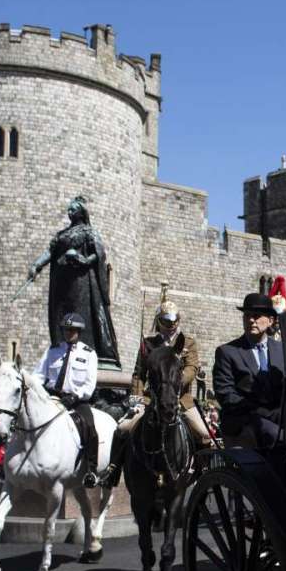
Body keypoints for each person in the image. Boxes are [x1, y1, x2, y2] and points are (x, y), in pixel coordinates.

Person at [102, 300, 211, 485]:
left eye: (174, 321)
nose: (171, 326)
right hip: (150, 398)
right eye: (166, 322)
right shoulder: (149, 344)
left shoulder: (188, 343)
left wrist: (175, 382)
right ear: (159, 321)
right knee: (122, 429)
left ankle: (202, 474)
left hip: (180, 399)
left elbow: (192, 367)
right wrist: (136, 398)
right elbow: (139, 373)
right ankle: (112, 472)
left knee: (204, 434)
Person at [28, 196, 120, 367]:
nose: (69, 212)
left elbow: (99, 255)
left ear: (81, 212)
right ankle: (62, 350)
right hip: (61, 282)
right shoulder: (62, 234)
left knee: (80, 314)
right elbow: (50, 252)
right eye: (68, 210)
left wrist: (82, 259)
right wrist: (36, 265)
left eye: (73, 209)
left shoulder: (88, 232)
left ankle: (84, 351)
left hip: (81, 283)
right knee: (61, 315)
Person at [35, 312, 101, 487]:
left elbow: (89, 384)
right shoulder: (53, 350)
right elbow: (39, 375)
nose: (68, 333)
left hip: (77, 401)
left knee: (90, 428)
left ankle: (91, 470)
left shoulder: (88, 354)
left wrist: (75, 397)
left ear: (79, 332)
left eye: (72, 330)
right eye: (66, 330)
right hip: (51, 397)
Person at [213, 293, 286, 448]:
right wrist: (260, 411)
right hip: (244, 420)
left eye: (257, 316)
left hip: (280, 416)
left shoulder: (282, 349)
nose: (251, 320)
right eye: (247, 316)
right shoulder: (227, 352)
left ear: (270, 320)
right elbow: (225, 394)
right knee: (277, 437)